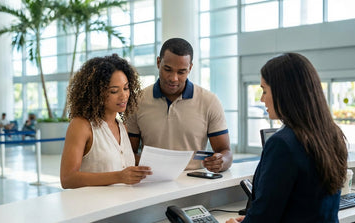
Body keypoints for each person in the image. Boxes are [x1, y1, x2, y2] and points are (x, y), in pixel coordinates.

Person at [226, 53, 348, 223]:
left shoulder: (282, 143)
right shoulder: (332, 133)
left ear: (283, 93)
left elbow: (265, 216)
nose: (262, 99)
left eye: (264, 90)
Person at [127, 38, 233, 172]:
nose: (173, 78)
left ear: (190, 68)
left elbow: (226, 151)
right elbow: (129, 153)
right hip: (151, 182)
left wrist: (221, 161)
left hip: (194, 183)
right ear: (158, 62)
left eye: (181, 72)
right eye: (168, 69)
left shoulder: (209, 101)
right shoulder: (137, 101)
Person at [60, 54, 152, 189]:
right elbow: (68, 179)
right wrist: (119, 177)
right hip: (95, 207)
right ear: (96, 93)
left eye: (126, 88)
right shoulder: (81, 125)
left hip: (125, 206)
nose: (124, 96)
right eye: (114, 91)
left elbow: (121, 163)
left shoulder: (121, 126)